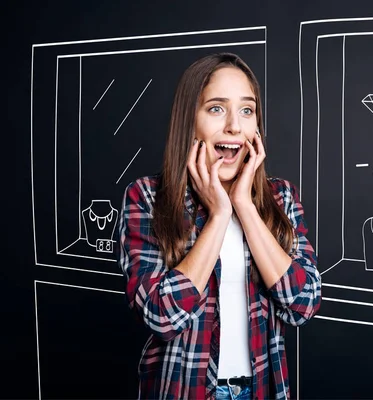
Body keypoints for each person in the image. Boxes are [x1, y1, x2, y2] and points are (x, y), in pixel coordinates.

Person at [117, 52, 321, 400]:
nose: (234, 127)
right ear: (189, 121)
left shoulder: (281, 197)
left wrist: (244, 204)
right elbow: (160, 317)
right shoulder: (148, 197)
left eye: (246, 110)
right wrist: (218, 216)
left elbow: (304, 304)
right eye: (216, 108)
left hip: (259, 390)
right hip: (183, 391)